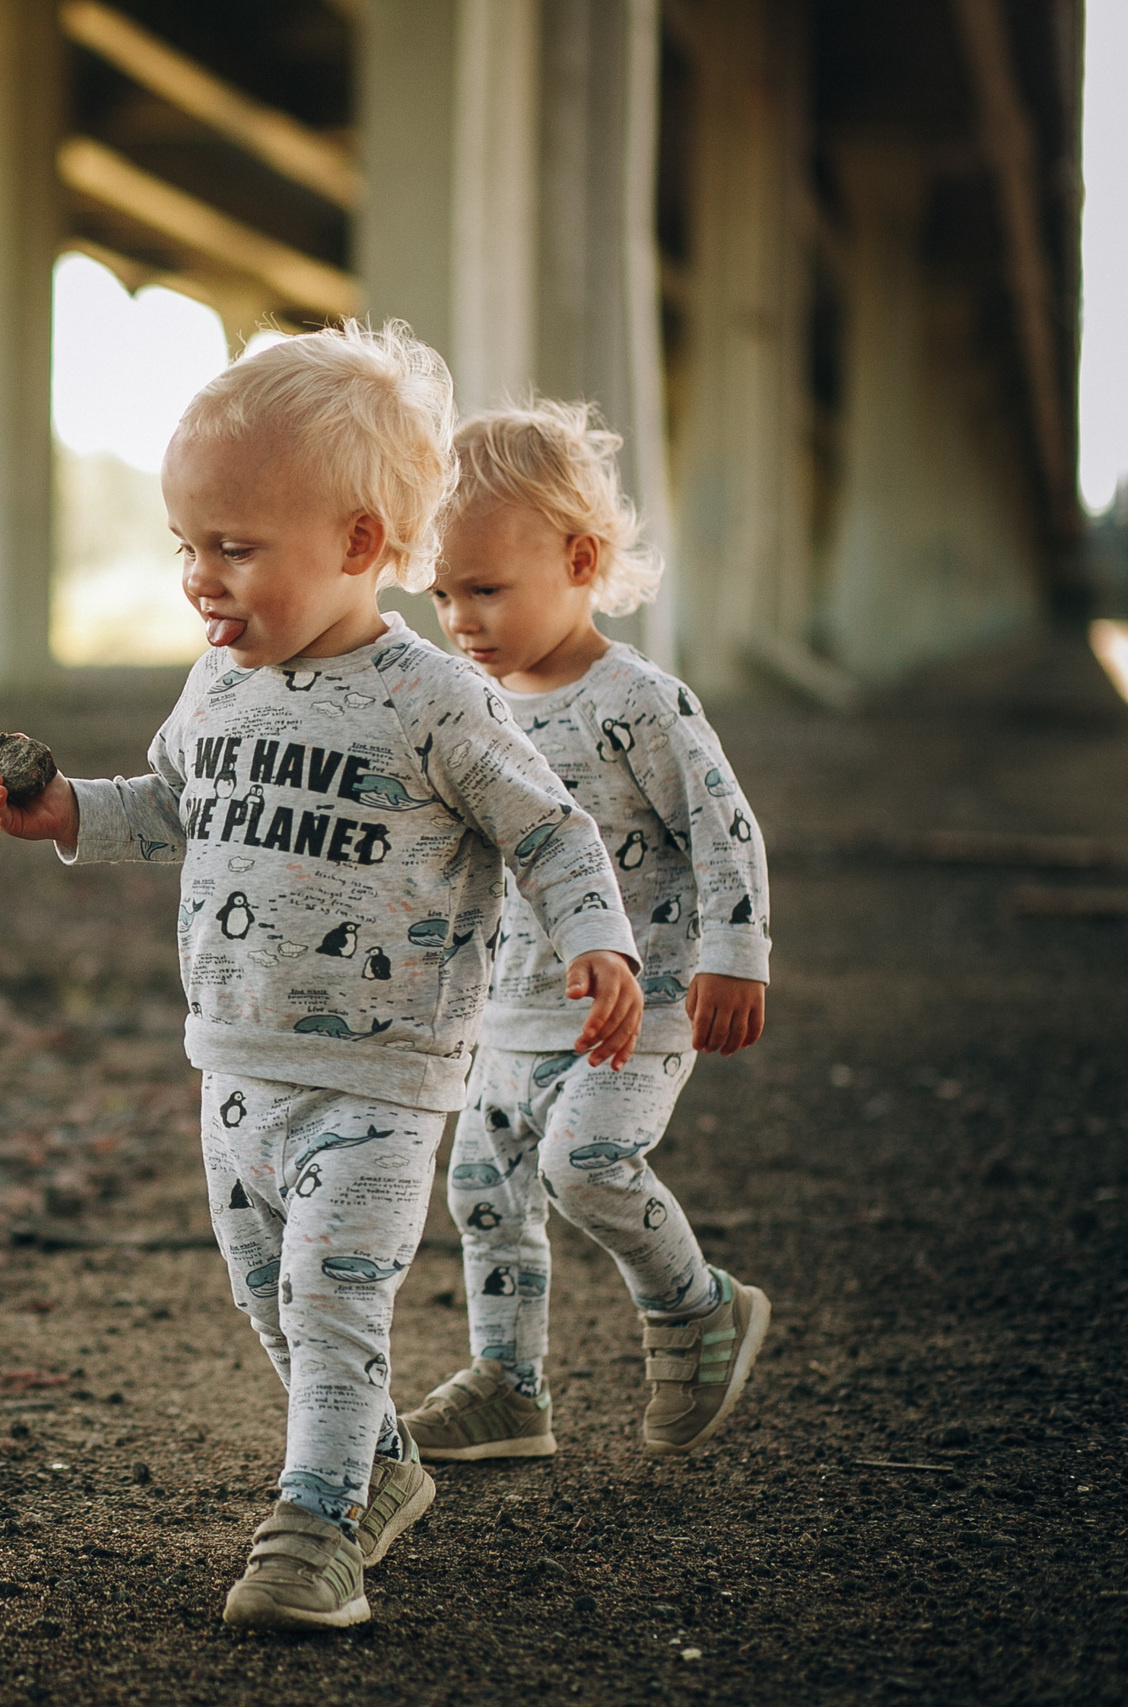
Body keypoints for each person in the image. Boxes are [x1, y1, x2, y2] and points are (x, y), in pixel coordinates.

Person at [0, 324, 642, 1632]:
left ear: (359, 542)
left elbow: (550, 830)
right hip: (236, 1062)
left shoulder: (435, 700)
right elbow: (172, 804)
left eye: (233, 547)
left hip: (379, 1076)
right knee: (270, 1294)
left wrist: (596, 939)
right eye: (184, 545)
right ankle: (380, 1464)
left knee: (333, 1295)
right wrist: (66, 811)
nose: (198, 579)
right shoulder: (218, 685)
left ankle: (317, 1525)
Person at [403, 400, 772, 1465]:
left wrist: (734, 954)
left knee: (588, 1163)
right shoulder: (465, 707)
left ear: (578, 560)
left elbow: (724, 827)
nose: (459, 618)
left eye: (485, 588)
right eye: (441, 593)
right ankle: (507, 1386)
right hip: (509, 1011)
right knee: (484, 1192)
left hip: (640, 1004)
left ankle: (696, 1307)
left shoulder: (638, 702)